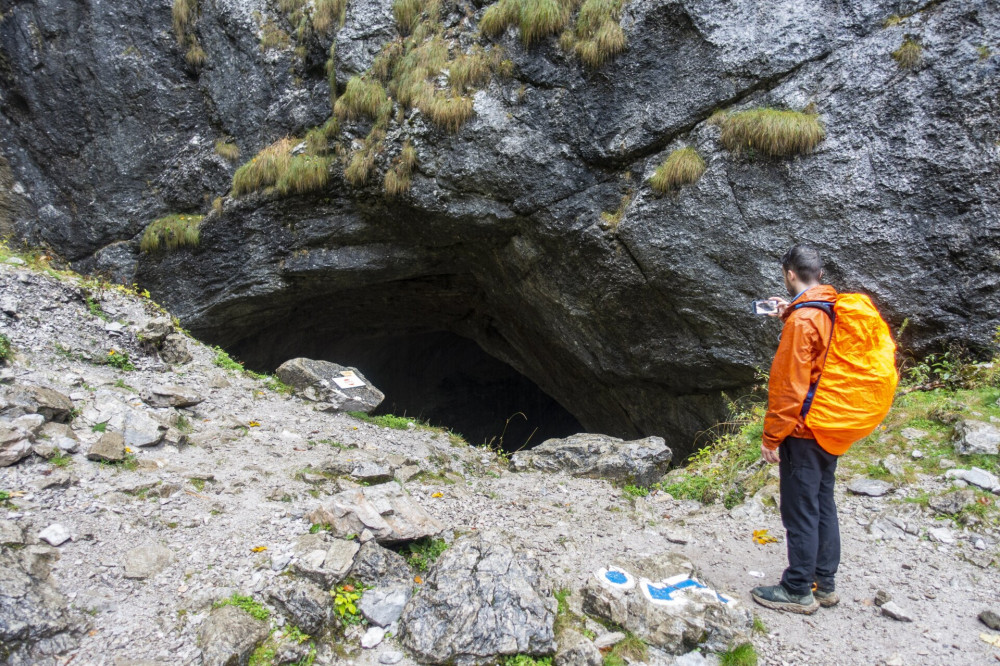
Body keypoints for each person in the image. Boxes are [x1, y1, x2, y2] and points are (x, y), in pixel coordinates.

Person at [751, 244, 841, 615]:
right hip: (830, 426)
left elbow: (789, 386)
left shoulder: (802, 322)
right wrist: (792, 311)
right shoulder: (831, 307)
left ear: (790, 274)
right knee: (822, 504)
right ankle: (824, 584)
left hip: (803, 432)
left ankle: (797, 589)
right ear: (818, 274)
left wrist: (772, 437)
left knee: (800, 509)